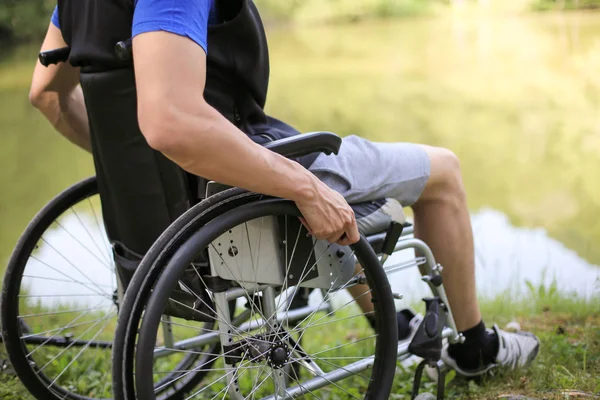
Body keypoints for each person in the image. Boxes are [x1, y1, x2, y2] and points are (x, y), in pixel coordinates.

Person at [29, 0, 539, 379]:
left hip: (169, 226)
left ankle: (397, 325)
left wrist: (138, 167)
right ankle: (477, 350)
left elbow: (46, 97)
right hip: (241, 186)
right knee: (442, 172)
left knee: (332, 180)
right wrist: (301, 187)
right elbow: (170, 123)